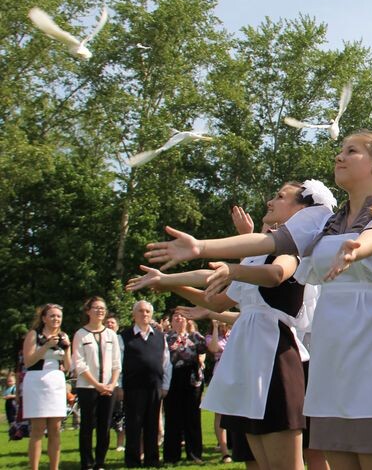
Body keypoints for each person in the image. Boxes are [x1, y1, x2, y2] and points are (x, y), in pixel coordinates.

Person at [143, 131, 372, 470]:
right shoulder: (323, 220)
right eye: (340, 150)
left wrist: (357, 248)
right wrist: (201, 247)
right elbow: (268, 242)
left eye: (350, 151)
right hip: (330, 361)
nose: (339, 157)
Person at [130, 181, 333, 470]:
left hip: (273, 353)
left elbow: (276, 274)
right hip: (245, 356)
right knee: (258, 462)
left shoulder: (295, 248)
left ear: (302, 210)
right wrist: (166, 281)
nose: (270, 201)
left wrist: (232, 268)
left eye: (280, 196)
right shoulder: (257, 253)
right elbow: (217, 301)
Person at [118, 300, 171, 468]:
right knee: (134, 425)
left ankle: (152, 459)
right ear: (134, 315)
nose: (145, 314)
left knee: (152, 425)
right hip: (132, 387)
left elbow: (166, 363)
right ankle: (132, 460)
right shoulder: (124, 337)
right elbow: (118, 363)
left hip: (154, 387)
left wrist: (165, 386)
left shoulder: (160, 337)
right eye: (141, 311)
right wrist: (119, 386)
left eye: (148, 311)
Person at [73, 296, 122, 470]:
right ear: (88, 311)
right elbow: (79, 364)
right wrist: (97, 385)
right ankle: (87, 463)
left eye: (102, 308)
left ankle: (100, 462)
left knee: (105, 426)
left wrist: (111, 384)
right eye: (96, 308)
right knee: (87, 426)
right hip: (88, 388)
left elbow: (117, 362)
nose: (100, 310)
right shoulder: (81, 334)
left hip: (109, 387)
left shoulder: (111, 334)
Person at [21, 303, 71, 470]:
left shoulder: (63, 336)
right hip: (36, 382)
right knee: (38, 428)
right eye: (52, 316)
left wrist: (68, 347)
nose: (56, 319)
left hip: (56, 383)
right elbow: (28, 362)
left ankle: (53, 467)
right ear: (44, 318)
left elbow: (69, 367)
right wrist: (46, 346)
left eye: (58, 316)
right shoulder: (33, 335)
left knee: (55, 428)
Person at [163, 310, 207, 463]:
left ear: (188, 320)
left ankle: (194, 454)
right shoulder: (166, 338)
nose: (179, 318)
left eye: (182, 315)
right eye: (175, 316)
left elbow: (208, 350)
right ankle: (171, 456)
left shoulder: (195, 337)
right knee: (172, 417)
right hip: (173, 378)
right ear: (171, 321)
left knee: (192, 418)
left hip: (192, 379)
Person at [205, 318, 232, 463]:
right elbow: (214, 349)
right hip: (221, 372)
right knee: (220, 414)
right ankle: (224, 451)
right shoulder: (210, 337)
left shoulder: (233, 333)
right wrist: (215, 328)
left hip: (237, 371)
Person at [104, 314, 126, 453]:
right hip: (104, 382)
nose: (110, 325)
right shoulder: (101, 338)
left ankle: (120, 442)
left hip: (120, 381)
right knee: (106, 415)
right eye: (108, 323)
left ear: (117, 326)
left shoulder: (121, 340)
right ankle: (103, 445)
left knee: (121, 414)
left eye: (113, 323)